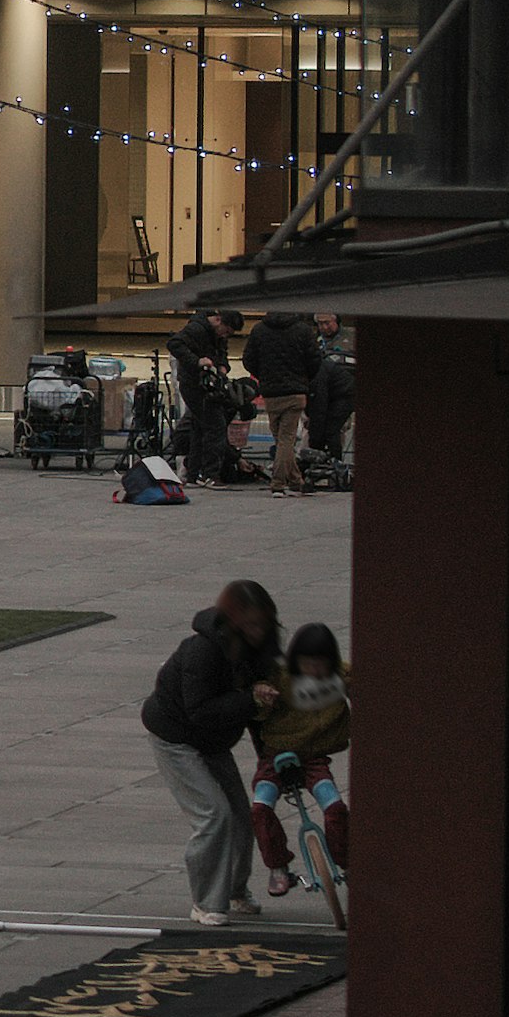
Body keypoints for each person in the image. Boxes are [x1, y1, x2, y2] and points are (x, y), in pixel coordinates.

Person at [143, 578, 284, 925]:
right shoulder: (203, 650)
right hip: (175, 736)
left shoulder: (260, 652)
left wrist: (270, 755)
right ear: (233, 621)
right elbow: (200, 710)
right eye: (250, 624)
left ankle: (235, 891)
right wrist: (249, 698)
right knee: (213, 813)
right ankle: (206, 902)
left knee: (241, 814)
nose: (258, 631)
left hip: (214, 740)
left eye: (263, 623)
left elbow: (258, 714)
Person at [248, 621, 352, 897]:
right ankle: (278, 866)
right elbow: (256, 710)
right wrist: (261, 698)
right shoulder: (279, 678)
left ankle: (347, 860)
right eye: (308, 663)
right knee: (260, 807)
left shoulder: (339, 676)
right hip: (275, 757)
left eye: (321, 663)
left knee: (335, 807)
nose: (314, 671)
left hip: (314, 759)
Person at [244, 313, 323, 494]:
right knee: (285, 440)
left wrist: (264, 376)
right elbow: (314, 359)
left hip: (271, 393)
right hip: (296, 391)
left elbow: (248, 359)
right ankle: (278, 483)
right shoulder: (303, 330)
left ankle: (296, 481)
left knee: (280, 438)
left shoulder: (259, 329)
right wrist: (304, 378)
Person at [171, 311, 244, 485]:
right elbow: (174, 344)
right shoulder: (196, 329)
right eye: (225, 331)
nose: (225, 336)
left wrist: (222, 367)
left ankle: (194, 474)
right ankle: (210, 473)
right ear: (218, 320)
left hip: (205, 383)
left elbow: (222, 354)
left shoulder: (216, 334)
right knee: (215, 425)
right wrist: (197, 361)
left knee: (199, 427)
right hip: (194, 383)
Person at [307, 314, 355, 460]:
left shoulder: (352, 336)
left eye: (327, 323)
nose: (324, 327)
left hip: (345, 388)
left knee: (333, 429)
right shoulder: (315, 340)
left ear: (336, 321)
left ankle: (335, 461)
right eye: (320, 324)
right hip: (324, 387)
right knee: (317, 428)